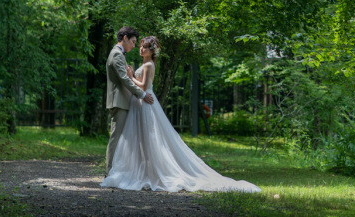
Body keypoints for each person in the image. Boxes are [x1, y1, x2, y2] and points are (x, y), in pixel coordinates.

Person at [101, 36, 260, 193]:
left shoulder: (149, 65)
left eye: (145, 47)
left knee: (151, 139)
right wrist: (133, 75)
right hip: (138, 103)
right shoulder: (143, 63)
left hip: (145, 102)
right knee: (139, 139)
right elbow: (139, 82)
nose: (141, 49)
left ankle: (153, 172)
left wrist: (131, 77)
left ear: (152, 51)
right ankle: (140, 170)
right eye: (141, 45)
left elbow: (143, 87)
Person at [105, 26, 155, 176]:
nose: (135, 46)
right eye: (133, 42)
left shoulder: (119, 54)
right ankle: (109, 173)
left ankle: (121, 171)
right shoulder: (116, 54)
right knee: (116, 137)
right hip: (119, 102)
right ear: (125, 38)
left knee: (123, 139)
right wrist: (142, 94)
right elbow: (124, 79)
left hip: (123, 101)